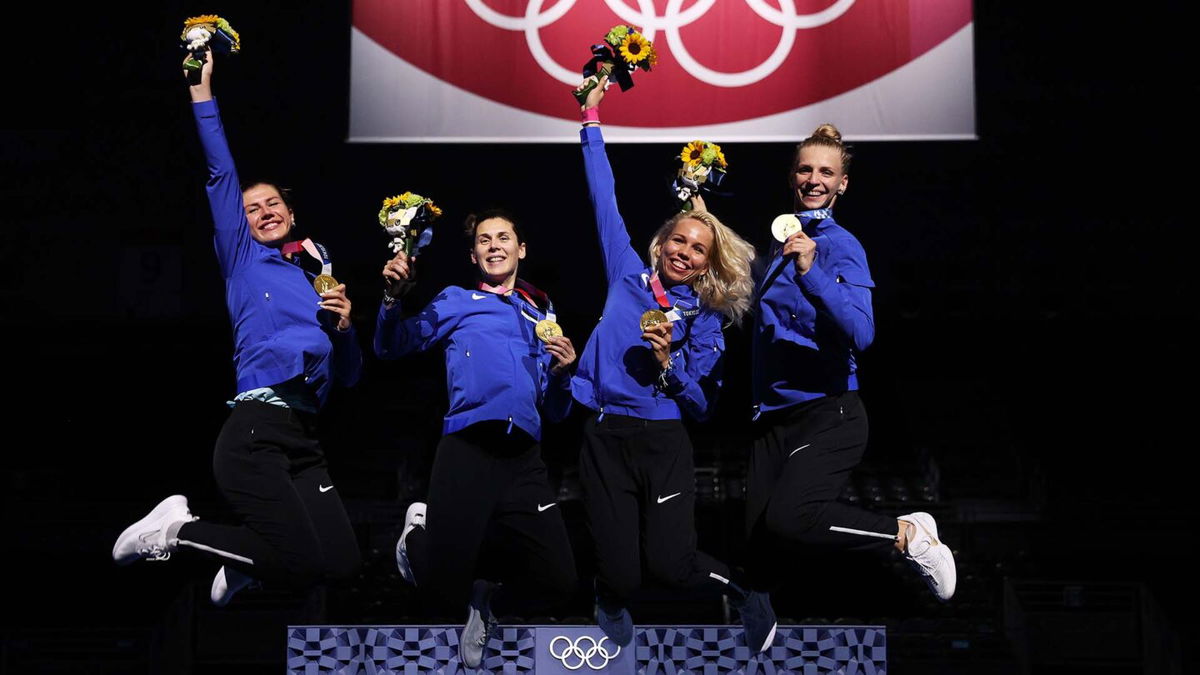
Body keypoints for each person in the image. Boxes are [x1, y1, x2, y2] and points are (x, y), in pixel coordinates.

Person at [111, 50, 363, 606]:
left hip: (306, 436)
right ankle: (175, 530)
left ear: (292, 216)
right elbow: (221, 171)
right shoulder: (242, 258)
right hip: (256, 427)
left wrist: (346, 329)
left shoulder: (316, 275)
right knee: (297, 564)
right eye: (252, 208)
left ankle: (251, 565)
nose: (266, 210)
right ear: (239, 224)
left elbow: (348, 377)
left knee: (341, 564)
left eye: (274, 203)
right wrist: (202, 92)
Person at [572, 78, 776, 653]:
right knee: (623, 575)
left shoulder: (706, 318)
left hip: (664, 442)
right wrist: (591, 120)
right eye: (678, 241)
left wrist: (669, 366)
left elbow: (702, 406)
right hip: (605, 434)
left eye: (698, 249)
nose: (684, 252)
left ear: (707, 263)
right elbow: (601, 195)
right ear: (661, 242)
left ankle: (745, 589)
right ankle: (608, 596)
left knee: (670, 563)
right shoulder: (623, 273)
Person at [745, 123, 956, 607]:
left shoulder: (841, 247)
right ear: (791, 176)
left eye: (826, 172)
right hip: (772, 419)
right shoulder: (779, 244)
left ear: (843, 184)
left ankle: (908, 535)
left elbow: (863, 333)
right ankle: (755, 609)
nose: (814, 179)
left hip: (828, 412)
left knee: (790, 520)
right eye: (805, 169)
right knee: (757, 551)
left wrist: (811, 271)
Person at [376, 210, 579, 669]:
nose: (494, 245)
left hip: (524, 457)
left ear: (520, 249)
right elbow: (392, 346)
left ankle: (490, 604)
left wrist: (565, 374)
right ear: (474, 254)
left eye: (503, 237)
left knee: (560, 582)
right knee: (440, 588)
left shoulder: (542, 313)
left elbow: (557, 409)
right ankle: (415, 539)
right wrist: (391, 301)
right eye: (484, 240)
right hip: (467, 447)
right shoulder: (456, 300)